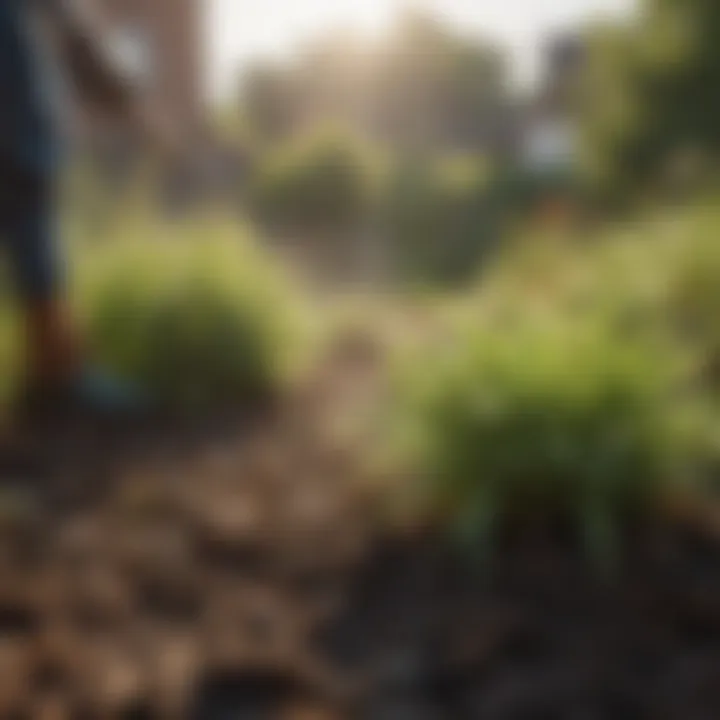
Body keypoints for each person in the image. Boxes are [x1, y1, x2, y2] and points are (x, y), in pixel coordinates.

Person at [0, 0, 166, 425]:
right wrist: (125, 102)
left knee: (35, 239)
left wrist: (121, 99)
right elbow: (72, 32)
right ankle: (58, 377)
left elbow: (72, 33)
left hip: (20, 135)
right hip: (17, 134)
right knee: (33, 230)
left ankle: (55, 374)